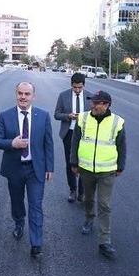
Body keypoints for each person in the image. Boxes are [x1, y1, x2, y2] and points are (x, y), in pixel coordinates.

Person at [0, 81, 54, 258]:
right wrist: (12, 143)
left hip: (36, 169)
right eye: (20, 93)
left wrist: (49, 167)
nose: (23, 97)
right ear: (16, 94)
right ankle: (19, 222)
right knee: (17, 201)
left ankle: (36, 244)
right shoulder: (5, 116)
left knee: (36, 205)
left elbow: (48, 143)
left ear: (33, 96)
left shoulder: (43, 116)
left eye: (27, 94)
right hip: (15, 169)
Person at [69, 90, 126, 259]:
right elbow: (75, 141)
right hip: (85, 168)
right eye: (92, 102)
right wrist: (73, 162)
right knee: (88, 198)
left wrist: (120, 166)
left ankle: (104, 241)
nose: (92, 105)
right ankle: (89, 217)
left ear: (106, 105)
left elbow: (122, 146)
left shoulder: (117, 122)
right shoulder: (83, 118)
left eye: (97, 103)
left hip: (107, 171)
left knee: (104, 204)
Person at [54, 72, 92, 203]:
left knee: (84, 164)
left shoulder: (90, 97)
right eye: (75, 87)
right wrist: (68, 116)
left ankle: (82, 192)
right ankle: (72, 190)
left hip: (86, 135)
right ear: (71, 85)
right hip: (69, 133)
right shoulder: (63, 96)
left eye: (80, 87)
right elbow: (56, 114)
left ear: (84, 86)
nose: (77, 90)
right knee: (71, 163)